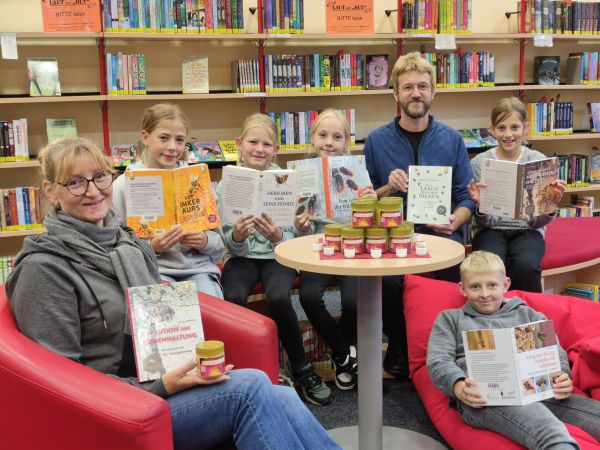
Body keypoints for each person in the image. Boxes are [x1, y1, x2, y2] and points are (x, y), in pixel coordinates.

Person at [5, 136, 341, 450]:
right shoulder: (44, 268)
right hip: (117, 405)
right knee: (251, 387)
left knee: (280, 395)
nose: (94, 191)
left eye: (100, 177)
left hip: (155, 378)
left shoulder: (123, 240)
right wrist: (162, 384)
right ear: (50, 190)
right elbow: (61, 383)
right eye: (75, 182)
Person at [362, 51, 476, 378]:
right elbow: (364, 198)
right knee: (387, 282)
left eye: (423, 86)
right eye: (408, 87)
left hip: (441, 233)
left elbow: (465, 198)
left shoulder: (453, 140)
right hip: (393, 235)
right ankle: (399, 342)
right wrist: (386, 188)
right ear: (395, 93)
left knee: (447, 276)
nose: (416, 93)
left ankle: (441, 346)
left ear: (433, 92)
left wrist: (456, 220)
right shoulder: (377, 141)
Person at [427, 250, 600, 449]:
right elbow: (438, 360)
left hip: (537, 389)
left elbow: (553, 349)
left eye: (492, 285)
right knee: (547, 428)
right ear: (463, 288)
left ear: (506, 285)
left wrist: (561, 374)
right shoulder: (451, 319)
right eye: (475, 286)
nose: (484, 293)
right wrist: (458, 386)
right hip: (485, 397)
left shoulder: (528, 314)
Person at [216, 113, 332, 406]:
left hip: (276, 255)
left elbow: (292, 239)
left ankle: (301, 365)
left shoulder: (287, 182)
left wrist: (279, 235)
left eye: (267, 144)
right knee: (232, 297)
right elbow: (227, 243)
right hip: (240, 258)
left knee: (279, 296)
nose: (260, 149)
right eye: (253, 142)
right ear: (239, 144)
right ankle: (243, 371)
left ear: (276, 149)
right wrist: (239, 237)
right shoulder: (226, 184)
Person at [295, 108, 377, 391]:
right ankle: (346, 353)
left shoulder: (358, 170)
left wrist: (370, 201)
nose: (329, 142)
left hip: (352, 246)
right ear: (312, 139)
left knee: (354, 301)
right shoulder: (303, 172)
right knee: (307, 295)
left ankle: (341, 354)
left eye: (337, 137)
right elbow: (299, 230)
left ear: (347, 143)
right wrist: (303, 224)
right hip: (316, 247)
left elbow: (371, 216)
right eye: (322, 135)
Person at [113, 103, 224, 299]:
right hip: (152, 270)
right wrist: (151, 247)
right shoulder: (123, 185)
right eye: (163, 138)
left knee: (213, 316)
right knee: (166, 315)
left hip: (199, 270)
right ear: (145, 137)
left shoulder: (197, 180)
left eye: (180, 140)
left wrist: (205, 241)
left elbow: (219, 245)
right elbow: (118, 247)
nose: (172, 147)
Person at [467, 97, 566, 293]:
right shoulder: (480, 162)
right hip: (490, 230)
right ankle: (494, 315)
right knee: (491, 267)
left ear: (525, 128)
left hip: (528, 230)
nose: (508, 134)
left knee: (526, 265)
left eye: (514, 127)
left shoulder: (537, 161)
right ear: (492, 129)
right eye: (501, 128)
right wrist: (481, 205)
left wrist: (549, 205)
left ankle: (529, 316)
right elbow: (486, 222)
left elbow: (536, 223)